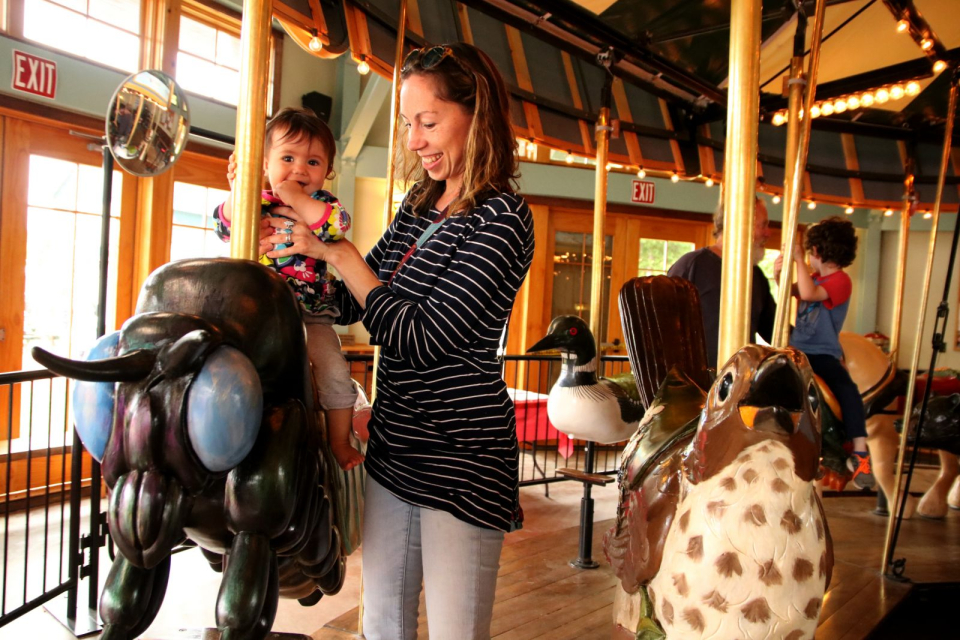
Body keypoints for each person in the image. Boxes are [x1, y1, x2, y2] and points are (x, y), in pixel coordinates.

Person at [261, 42, 534, 639]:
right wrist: (293, 261)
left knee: (455, 631)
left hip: (461, 458)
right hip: (395, 447)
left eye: (427, 122)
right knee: (382, 623)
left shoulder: (504, 218)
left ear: (476, 113)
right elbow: (348, 300)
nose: (414, 140)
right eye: (409, 124)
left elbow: (421, 336)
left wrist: (339, 254)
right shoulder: (417, 205)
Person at [213, 107, 364, 471]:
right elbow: (224, 227)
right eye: (287, 158)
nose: (299, 169)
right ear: (264, 163)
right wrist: (239, 190)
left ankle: (340, 442)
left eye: (312, 162)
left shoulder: (322, 205)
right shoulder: (256, 201)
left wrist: (294, 196)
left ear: (327, 171)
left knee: (333, 371)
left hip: (312, 317)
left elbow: (336, 227)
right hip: (260, 315)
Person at [775, 217, 874, 489]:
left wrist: (797, 261)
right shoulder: (816, 276)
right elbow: (792, 292)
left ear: (816, 251)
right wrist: (779, 274)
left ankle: (860, 451)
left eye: (809, 252)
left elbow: (807, 291)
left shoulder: (841, 281)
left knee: (847, 391)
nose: (807, 257)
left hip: (821, 354)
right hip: (797, 350)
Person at [667, 197, 776, 369]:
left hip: (740, 384)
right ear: (740, 224)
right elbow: (662, 326)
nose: (768, 233)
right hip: (694, 384)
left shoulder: (757, 276)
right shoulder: (692, 265)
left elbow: (775, 330)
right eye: (763, 225)